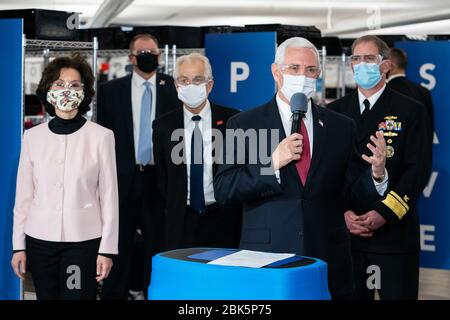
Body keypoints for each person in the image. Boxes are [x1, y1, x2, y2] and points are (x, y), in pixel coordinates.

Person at [213, 37, 388, 299]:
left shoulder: (341, 125)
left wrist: (376, 174)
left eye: (310, 70)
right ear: (276, 71)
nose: (302, 76)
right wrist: (271, 163)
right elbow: (225, 188)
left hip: (327, 256)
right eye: (294, 68)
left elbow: (351, 193)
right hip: (267, 256)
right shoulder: (244, 123)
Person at [328, 35, 431, 300]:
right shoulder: (334, 112)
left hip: (394, 235)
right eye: (357, 59)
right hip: (347, 236)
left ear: (385, 65)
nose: (362, 65)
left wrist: (383, 213)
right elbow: (328, 172)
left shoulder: (411, 110)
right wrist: (343, 213)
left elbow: (416, 171)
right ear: (350, 66)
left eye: (370, 58)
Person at [11, 55, 118, 300]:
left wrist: (107, 250)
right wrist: (19, 246)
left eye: (74, 85)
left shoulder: (101, 137)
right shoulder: (33, 137)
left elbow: (110, 197)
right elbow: (24, 195)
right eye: (59, 84)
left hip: (82, 242)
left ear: (85, 92)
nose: (66, 91)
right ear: (48, 89)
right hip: (40, 241)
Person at [96, 33, 181, 299]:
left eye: (153, 52)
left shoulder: (173, 88)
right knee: (117, 242)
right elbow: (103, 134)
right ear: (131, 57)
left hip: (158, 180)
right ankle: (114, 294)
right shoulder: (111, 91)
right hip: (122, 179)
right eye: (143, 52)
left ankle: (151, 293)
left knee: (157, 244)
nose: (149, 56)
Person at [153, 53, 242, 251]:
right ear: (176, 85)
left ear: (209, 85)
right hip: (181, 220)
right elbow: (162, 177)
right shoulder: (163, 126)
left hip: (224, 218)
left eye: (197, 80)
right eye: (184, 80)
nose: (190, 85)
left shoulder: (233, 120)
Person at [387, 47, 434, 191]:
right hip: (416, 165)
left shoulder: (386, 92)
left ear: (390, 66)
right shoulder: (422, 91)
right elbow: (429, 129)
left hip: (388, 168)